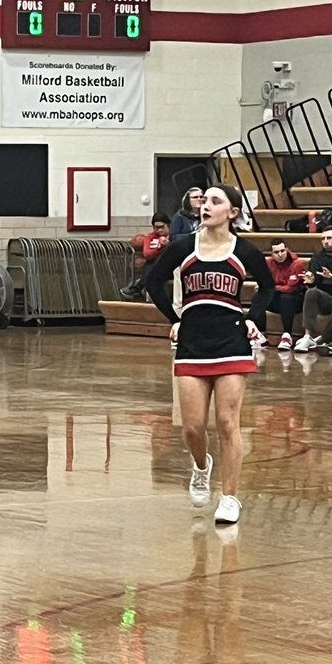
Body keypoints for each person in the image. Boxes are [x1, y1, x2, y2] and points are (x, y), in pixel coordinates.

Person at [144, 184, 274, 526]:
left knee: (228, 424)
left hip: (231, 342)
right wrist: (175, 320)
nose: (206, 205)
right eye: (204, 200)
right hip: (192, 343)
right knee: (192, 427)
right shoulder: (184, 248)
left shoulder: (244, 250)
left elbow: (268, 286)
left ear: (232, 212)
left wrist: (251, 318)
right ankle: (202, 466)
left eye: (216, 201)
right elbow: (153, 281)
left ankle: (230, 498)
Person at [293, 226, 332, 352]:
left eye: (329, 238)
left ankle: (324, 339)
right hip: (325, 295)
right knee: (311, 293)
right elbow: (313, 279)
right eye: (323, 238)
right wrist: (310, 282)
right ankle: (307, 336)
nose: (325, 241)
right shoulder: (318, 256)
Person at [252, 238, 306, 350]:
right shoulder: (267, 263)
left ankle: (287, 336)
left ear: (287, 250)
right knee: (258, 297)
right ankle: (262, 335)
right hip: (277, 298)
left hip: (296, 300)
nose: (280, 254)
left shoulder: (297, 264)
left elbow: (290, 288)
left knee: (286, 297)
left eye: (282, 251)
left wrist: (272, 287)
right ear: (272, 254)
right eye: (276, 252)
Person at [120, 211, 171, 300]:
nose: (159, 230)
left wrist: (167, 246)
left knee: (160, 259)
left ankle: (138, 287)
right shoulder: (150, 237)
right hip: (155, 268)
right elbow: (147, 254)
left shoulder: (173, 236)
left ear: (168, 225)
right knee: (152, 261)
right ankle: (140, 287)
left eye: (162, 227)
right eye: (156, 228)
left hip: (171, 268)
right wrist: (160, 248)